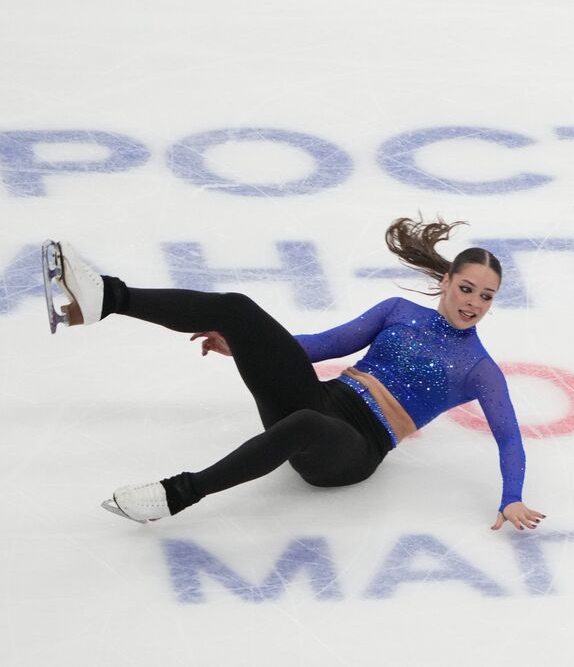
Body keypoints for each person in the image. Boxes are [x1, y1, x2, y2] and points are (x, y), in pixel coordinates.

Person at [43, 217, 545, 528]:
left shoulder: (478, 369)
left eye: (487, 296)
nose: (474, 303)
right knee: (238, 309)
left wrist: (512, 498)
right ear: (447, 282)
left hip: (353, 451)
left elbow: (509, 441)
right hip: (322, 399)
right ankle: (106, 298)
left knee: (306, 425)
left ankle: (175, 495)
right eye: (467, 289)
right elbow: (323, 346)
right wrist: (246, 346)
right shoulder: (397, 310)